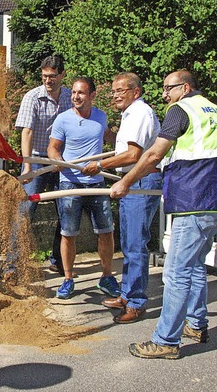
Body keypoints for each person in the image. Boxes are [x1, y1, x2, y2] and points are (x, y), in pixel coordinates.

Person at [111, 70, 217, 359]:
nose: (163, 95)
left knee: (176, 271)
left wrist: (125, 181)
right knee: (195, 265)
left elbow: (153, 155)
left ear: (184, 88)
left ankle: (166, 340)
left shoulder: (180, 109)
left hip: (192, 203)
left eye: (167, 89)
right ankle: (196, 324)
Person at [82, 72, 162, 323]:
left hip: (141, 180)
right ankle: (127, 295)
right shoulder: (130, 114)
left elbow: (132, 155)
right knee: (128, 243)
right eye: (114, 91)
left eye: (121, 91)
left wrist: (100, 164)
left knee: (136, 244)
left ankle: (136, 303)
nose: (115, 95)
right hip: (132, 181)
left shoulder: (140, 113)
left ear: (136, 92)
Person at [47, 76, 120, 299]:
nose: (76, 97)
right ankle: (68, 279)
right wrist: (57, 161)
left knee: (106, 231)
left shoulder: (100, 117)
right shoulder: (63, 119)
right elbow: (53, 147)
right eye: (73, 93)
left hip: (97, 182)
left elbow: (108, 137)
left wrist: (126, 142)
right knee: (68, 233)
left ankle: (107, 277)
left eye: (81, 93)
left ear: (92, 96)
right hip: (70, 183)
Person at [15, 54, 72, 275]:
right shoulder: (32, 97)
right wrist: (28, 166)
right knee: (25, 210)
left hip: (61, 163)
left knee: (66, 211)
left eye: (53, 77)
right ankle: (13, 263)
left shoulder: (69, 97)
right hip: (37, 161)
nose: (48, 81)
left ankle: (57, 259)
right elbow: (26, 132)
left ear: (62, 75)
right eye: (45, 76)